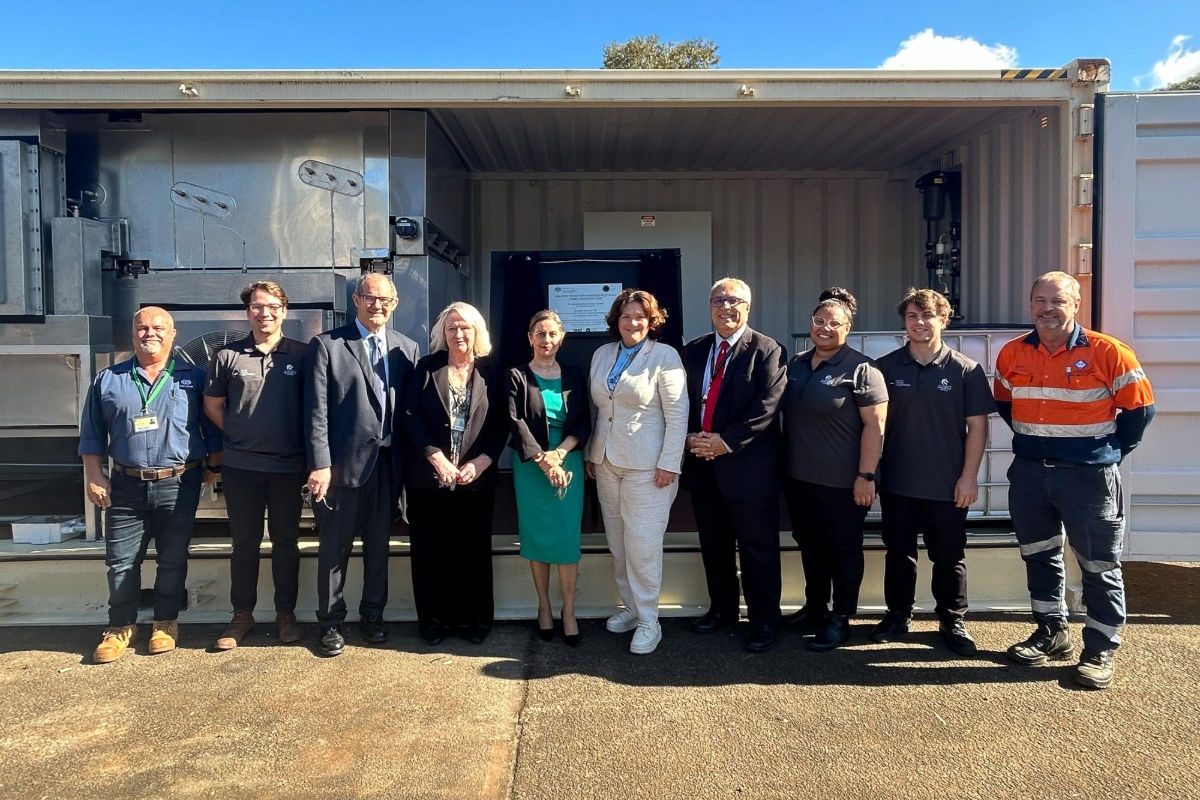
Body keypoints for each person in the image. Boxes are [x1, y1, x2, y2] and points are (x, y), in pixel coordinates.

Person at [994, 271, 1155, 689]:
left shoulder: (1109, 352)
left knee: (1099, 564)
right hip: (1030, 475)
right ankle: (1052, 632)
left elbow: (1139, 412)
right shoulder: (1012, 354)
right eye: (1040, 300)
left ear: (1076, 305)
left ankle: (1100, 648)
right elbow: (1006, 404)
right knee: (1039, 553)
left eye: (1058, 301)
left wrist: (1111, 451)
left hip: (1088, 479)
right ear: (1030, 305)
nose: (1048, 309)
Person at [80, 306, 222, 663]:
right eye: (142, 328)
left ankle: (165, 623)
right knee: (121, 560)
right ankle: (120, 627)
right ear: (133, 334)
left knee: (173, 558)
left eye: (159, 328)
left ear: (173, 335)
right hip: (126, 484)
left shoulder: (192, 377)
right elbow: (93, 434)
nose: (150, 334)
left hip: (178, 482)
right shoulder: (108, 380)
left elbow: (214, 424)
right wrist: (95, 476)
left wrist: (213, 464)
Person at [872, 288, 995, 656]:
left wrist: (969, 476)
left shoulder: (966, 370)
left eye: (927, 316)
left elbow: (979, 427)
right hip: (898, 482)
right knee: (898, 553)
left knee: (949, 556)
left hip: (948, 484)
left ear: (943, 320)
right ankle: (897, 616)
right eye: (912, 316)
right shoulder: (886, 368)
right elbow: (872, 424)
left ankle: (952, 620)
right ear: (904, 322)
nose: (919, 323)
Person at [304, 273, 419, 657]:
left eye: (385, 300)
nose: (378, 306)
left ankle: (373, 617)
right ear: (356, 300)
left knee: (378, 548)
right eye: (370, 298)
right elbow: (316, 413)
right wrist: (321, 465)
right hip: (341, 468)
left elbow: (411, 412)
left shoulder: (407, 349)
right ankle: (330, 623)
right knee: (334, 550)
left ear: (395, 303)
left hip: (388, 466)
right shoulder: (328, 346)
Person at [682, 278, 787, 653]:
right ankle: (722, 610)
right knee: (715, 545)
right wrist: (690, 437)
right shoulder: (693, 351)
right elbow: (681, 403)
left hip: (748, 469)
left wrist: (724, 443)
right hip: (703, 466)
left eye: (734, 300)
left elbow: (766, 407)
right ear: (709, 306)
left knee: (758, 548)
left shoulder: (767, 350)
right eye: (718, 300)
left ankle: (764, 621)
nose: (726, 307)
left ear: (748, 306)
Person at [782, 287, 887, 651]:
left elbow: (876, 427)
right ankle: (815, 608)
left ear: (848, 327)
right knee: (810, 545)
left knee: (843, 549)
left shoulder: (862, 369)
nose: (825, 328)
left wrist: (866, 476)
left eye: (834, 323)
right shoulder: (795, 365)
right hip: (799, 479)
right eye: (819, 321)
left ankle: (840, 618)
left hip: (843, 482)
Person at [203, 281, 307, 650]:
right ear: (248, 312)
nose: (265, 313)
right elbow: (212, 405)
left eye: (272, 306)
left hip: (288, 467)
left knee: (286, 543)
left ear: (284, 310)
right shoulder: (227, 357)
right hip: (241, 467)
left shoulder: (303, 354)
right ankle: (241, 616)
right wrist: (240, 433)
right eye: (257, 307)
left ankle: (285, 615)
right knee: (244, 543)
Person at [585, 288, 688, 655]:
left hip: (649, 467)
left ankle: (649, 621)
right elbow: (598, 411)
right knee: (618, 542)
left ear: (652, 320)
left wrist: (669, 464)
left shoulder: (664, 356)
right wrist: (590, 454)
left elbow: (678, 415)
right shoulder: (602, 354)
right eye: (627, 316)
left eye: (640, 316)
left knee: (642, 546)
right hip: (606, 462)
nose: (633, 322)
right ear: (617, 319)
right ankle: (631, 608)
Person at [404, 301, 507, 645]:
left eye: (465, 327)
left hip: (476, 478)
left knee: (472, 551)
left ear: (477, 331)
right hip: (431, 477)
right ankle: (433, 621)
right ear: (442, 333)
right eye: (452, 327)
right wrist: (436, 457)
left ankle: (473, 620)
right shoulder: (426, 367)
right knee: (430, 550)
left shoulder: (493, 372)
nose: (458, 333)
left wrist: (481, 463)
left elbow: (501, 424)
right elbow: (410, 416)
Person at [507, 310, 591, 647]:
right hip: (531, 467)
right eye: (540, 334)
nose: (547, 340)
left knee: (567, 540)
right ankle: (544, 606)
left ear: (561, 337)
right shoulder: (516, 375)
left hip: (568, 461)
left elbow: (584, 422)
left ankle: (569, 610)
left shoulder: (574, 374)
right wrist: (544, 460)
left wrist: (561, 454)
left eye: (553, 334)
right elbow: (515, 423)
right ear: (530, 337)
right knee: (538, 538)